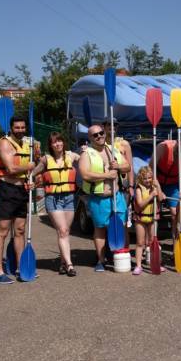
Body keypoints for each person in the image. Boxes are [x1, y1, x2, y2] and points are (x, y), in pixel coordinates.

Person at [78, 124, 130, 272]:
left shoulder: (112, 149)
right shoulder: (86, 154)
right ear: (90, 138)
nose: (99, 136)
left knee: (122, 226)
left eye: (101, 133)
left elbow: (127, 167)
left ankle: (121, 256)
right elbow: (85, 174)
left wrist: (118, 166)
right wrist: (107, 175)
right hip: (99, 198)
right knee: (100, 229)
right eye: (95, 135)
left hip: (117, 196)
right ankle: (101, 260)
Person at [0, 115, 35, 284]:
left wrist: (31, 181)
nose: (20, 130)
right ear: (11, 128)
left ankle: (19, 267)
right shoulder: (4, 143)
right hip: (7, 190)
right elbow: (10, 168)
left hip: (21, 190)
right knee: (3, 230)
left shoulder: (26, 144)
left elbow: (29, 171)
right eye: (17, 127)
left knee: (20, 230)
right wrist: (29, 166)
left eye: (22, 127)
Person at [32, 132, 80, 277]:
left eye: (60, 141)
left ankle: (62, 263)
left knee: (64, 232)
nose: (58, 144)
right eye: (54, 142)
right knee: (63, 230)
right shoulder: (46, 159)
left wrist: (86, 150)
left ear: (63, 142)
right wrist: (30, 180)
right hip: (53, 198)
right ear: (51, 145)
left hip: (69, 197)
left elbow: (86, 160)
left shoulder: (71, 156)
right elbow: (32, 172)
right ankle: (70, 265)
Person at [150, 130, 181, 239]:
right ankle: (151, 241)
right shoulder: (163, 147)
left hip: (173, 184)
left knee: (175, 214)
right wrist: (159, 190)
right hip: (156, 180)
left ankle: (176, 242)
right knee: (153, 213)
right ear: (178, 142)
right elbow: (151, 168)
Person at [104, 118, 134, 245]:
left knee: (123, 221)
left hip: (123, 188)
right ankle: (108, 250)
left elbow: (130, 167)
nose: (112, 127)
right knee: (106, 221)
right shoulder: (99, 143)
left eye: (115, 125)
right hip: (106, 188)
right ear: (104, 127)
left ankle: (124, 249)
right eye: (109, 124)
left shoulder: (124, 144)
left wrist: (131, 186)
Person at [132, 166, 166, 275]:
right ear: (141, 179)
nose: (148, 180)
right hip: (140, 218)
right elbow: (140, 204)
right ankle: (138, 266)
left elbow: (161, 199)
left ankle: (156, 264)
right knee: (140, 242)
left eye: (149, 178)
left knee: (153, 242)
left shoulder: (154, 186)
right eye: (145, 178)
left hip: (152, 218)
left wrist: (158, 187)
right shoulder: (138, 189)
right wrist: (151, 195)